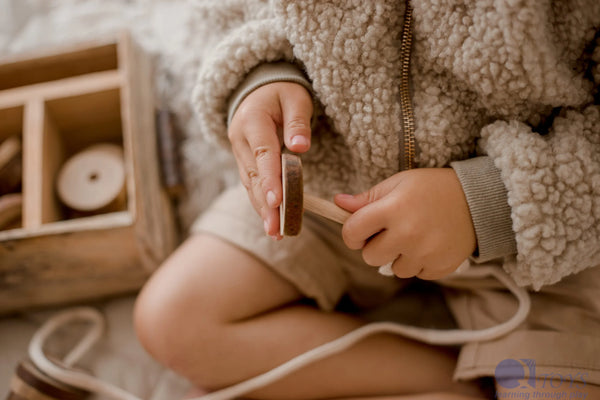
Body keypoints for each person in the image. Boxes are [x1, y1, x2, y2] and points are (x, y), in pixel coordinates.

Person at [134, 1, 600, 399]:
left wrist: (487, 202)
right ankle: (448, 381)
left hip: (545, 227)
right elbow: (234, 15)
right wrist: (260, 77)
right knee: (174, 319)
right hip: (337, 178)